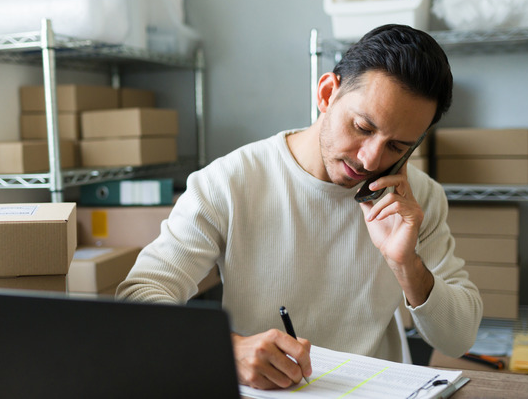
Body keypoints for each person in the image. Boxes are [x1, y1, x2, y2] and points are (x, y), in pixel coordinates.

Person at [116, 24, 482, 390]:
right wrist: (229, 349)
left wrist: (406, 264)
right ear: (327, 93)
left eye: (397, 147)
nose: (370, 160)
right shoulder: (228, 182)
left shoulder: (417, 201)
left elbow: (458, 339)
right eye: (362, 128)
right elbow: (139, 298)